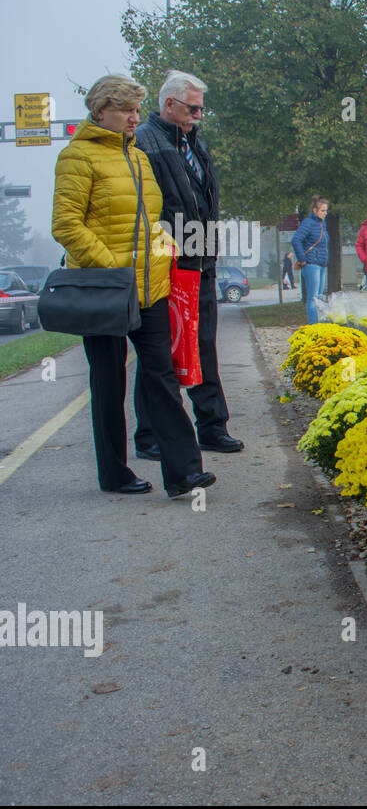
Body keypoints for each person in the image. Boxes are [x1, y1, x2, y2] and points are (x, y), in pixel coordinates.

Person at [51, 74, 215, 499]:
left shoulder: (138, 157)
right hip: (105, 290)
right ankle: (114, 472)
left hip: (151, 289)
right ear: (100, 110)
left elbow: (152, 222)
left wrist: (166, 254)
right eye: (126, 109)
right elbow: (66, 225)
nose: (133, 117)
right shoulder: (77, 157)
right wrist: (112, 270)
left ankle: (184, 473)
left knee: (162, 376)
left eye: (137, 109)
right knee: (109, 383)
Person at [131, 70, 243, 458]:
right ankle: (150, 436)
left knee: (203, 346)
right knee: (161, 352)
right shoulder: (144, 143)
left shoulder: (195, 145)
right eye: (193, 107)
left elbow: (204, 201)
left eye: (201, 108)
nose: (198, 114)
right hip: (167, 263)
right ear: (169, 104)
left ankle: (212, 427)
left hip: (200, 260)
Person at [292, 196, 330, 325]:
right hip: (312, 263)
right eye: (322, 210)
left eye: (326, 211)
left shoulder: (322, 224)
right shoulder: (308, 223)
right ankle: (313, 325)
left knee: (319, 297)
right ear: (315, 210)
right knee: (313, 298)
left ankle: (318, 324)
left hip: (322, 263)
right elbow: (296, 239)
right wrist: (302, 259)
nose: (325, 213)